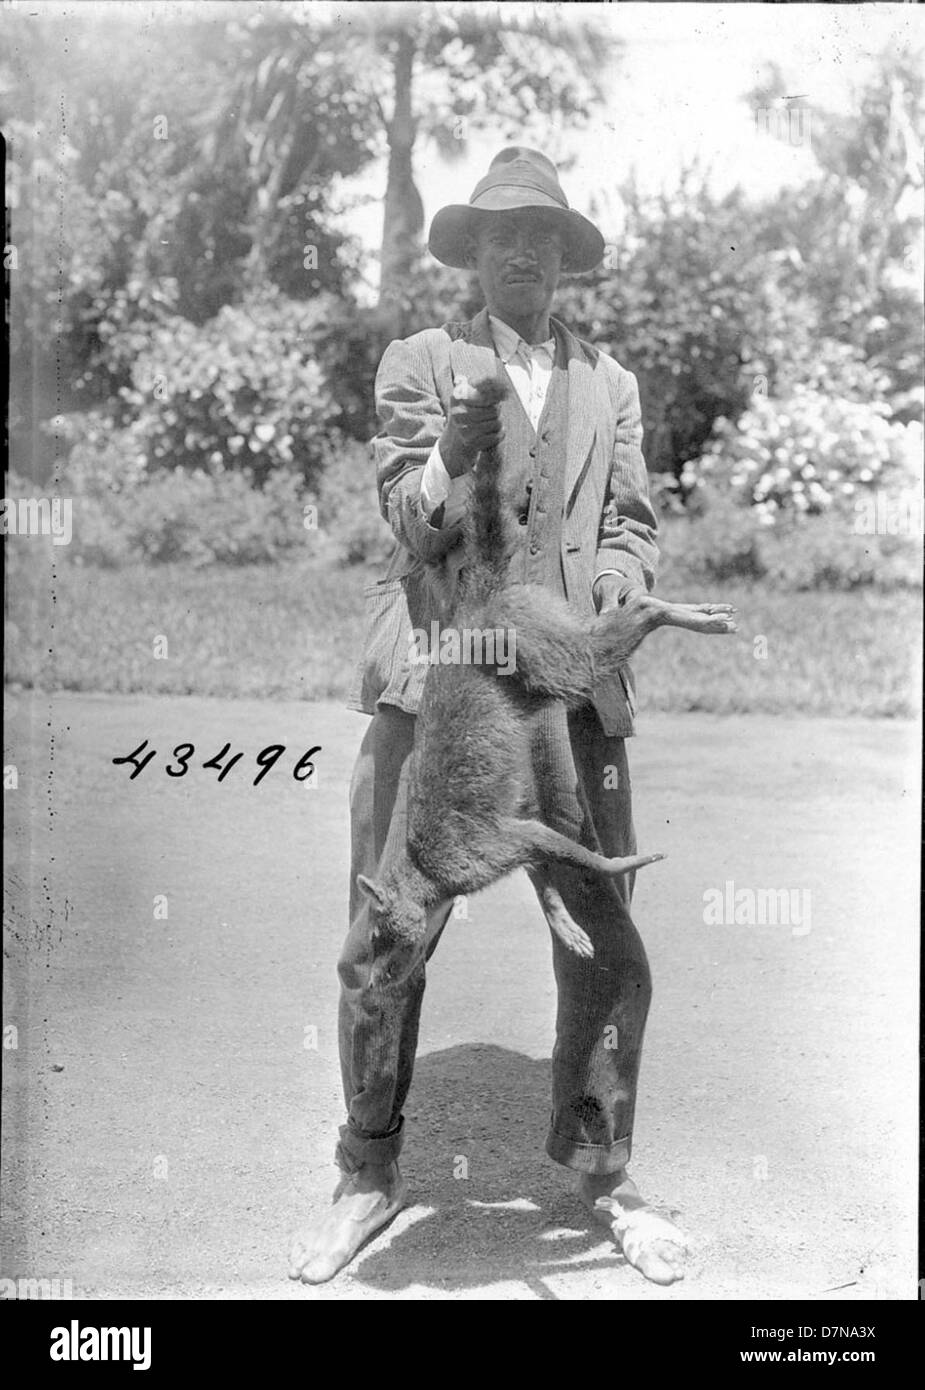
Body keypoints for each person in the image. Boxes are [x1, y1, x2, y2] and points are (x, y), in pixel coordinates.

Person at [290, 147, 722, 1288]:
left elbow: (631, 524)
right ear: (473, 256)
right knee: (384, 939)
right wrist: (455, 444)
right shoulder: (420, 362)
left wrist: (627, 585)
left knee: (606, 942)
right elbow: (405, 519)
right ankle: (367, 1174)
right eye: (496, 236)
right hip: (436, 688)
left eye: (540, 236)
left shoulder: (612, 385)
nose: (519, 251)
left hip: (570, 696)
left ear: (567, 258)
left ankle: (602, 1173)